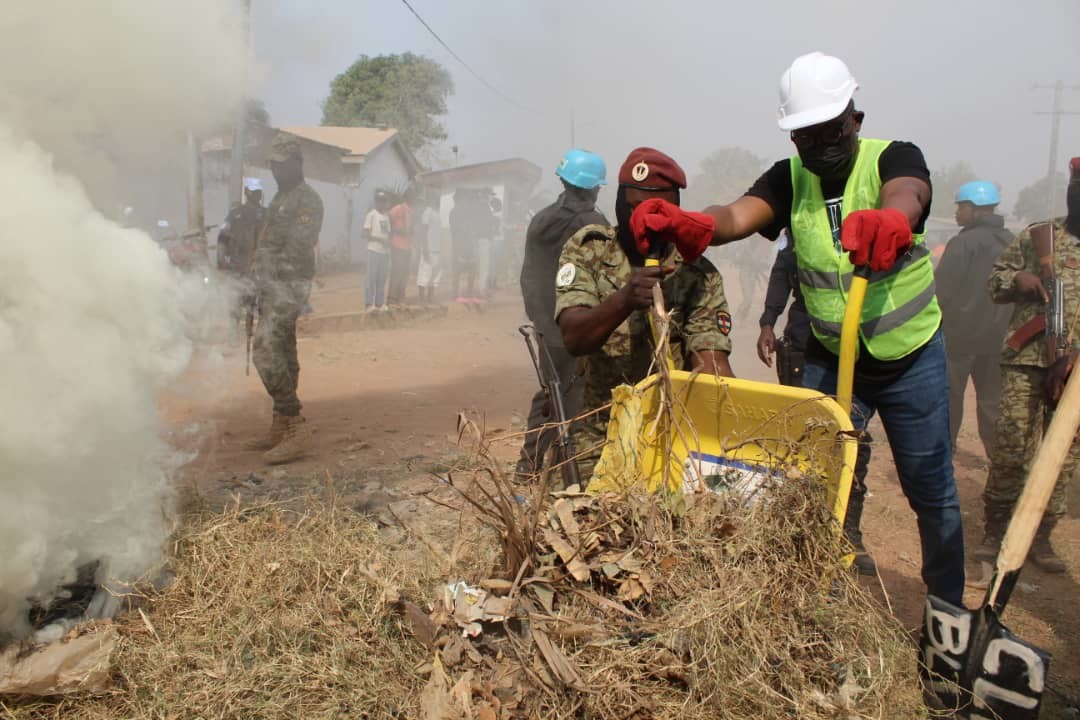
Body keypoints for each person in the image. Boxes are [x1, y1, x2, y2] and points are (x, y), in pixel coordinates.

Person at [632, 52, 962, 603]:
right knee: (811, 478)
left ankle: (947, 607)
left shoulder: (893, 157)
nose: (819, 146)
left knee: (930, 488)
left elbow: (910, 192)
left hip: (910, 358)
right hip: (833, 356)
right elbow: (739, 214)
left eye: (830, 130)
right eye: (805, 137)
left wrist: (894, 219)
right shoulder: (790, 179)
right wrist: (698, 224)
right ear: (794, 141)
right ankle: (815, 588)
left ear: (854, 119)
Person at [556, 147, 734, 480]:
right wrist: (623, 300)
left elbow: (711, 366)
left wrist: (730, 441)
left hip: (672, 432)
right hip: (600, 430)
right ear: (618, 203)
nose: (643, 220)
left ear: (675, 210)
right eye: (633, 207)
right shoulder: (589, 249)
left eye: (656, 210)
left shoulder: (696, 273)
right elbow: (574, 336)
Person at [977, 159, 1080, 574]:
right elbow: (994, 282)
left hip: (1074, 375)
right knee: (1012, 446)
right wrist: (1017, 279)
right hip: (1025, 360)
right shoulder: (1043, 236)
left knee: (1063, 456)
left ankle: (1041, 536)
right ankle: (995, 530)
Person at [517, 149, 609, 476]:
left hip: (545, 323)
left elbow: (528, 273)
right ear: (590, 188)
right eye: (598, 186)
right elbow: (606, 278)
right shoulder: (593, 223)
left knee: (551, 391)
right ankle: (565, 470)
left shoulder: (541, 218)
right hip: (578, 324)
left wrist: (540, 317)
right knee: (574, 398)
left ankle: (527, 467)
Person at [246, 133, 324, 464]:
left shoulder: (307, 199)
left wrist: (270, 279)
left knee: (264, 349)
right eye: (272, 165)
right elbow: (267, 243)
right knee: (282, 349)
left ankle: (295, 425)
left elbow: (297, 247)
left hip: (288, 283)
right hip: (272, 283)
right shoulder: (281, 197)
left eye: (281, 165)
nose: (276, 171)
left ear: (296, 163)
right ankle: (282, 421)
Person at [935, 181, 1013, 457]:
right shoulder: (1011, 241)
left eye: (961, 207)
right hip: (999, 339)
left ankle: (945, 453)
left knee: (950, 398)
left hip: (960, 338)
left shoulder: (963, 243)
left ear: (976, 210)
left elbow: (941, 290)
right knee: (993, 402)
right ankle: (998, 459)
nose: (957, 213)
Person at [756, 230, 810, 387]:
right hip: (804, 330)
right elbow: (782, 271)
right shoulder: (797, 219)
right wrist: (768, 323)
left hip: (853, 331)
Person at [217, 177, 266, 277]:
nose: (257, 194)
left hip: (259, 269)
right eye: (254, 191)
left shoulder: (266, 215)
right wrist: (221, 259)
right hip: (236, 268)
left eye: (258, 191)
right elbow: (222, 237)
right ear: (247, 192)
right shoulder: (235, 214)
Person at [363, 190, 392, 312]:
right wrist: (380, 240)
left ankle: (379, 304)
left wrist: (388, 242)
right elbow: (365, 233)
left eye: (384, 201)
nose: (382, 203)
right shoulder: (371, 215)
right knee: (371, 278)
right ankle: (369, 304)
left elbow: (388, 233)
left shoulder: (386, 217)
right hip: (373, 250)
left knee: (382, 278)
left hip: (384, 252)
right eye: (380, 200)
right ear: (376, 202)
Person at [387, 188, 415, 306]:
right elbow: (388, 219)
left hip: (407, 246)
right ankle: (391, 298)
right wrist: (395, 231)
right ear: (406, 197)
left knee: (405, 272)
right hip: (397, 244)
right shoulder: (398, 209)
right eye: (410, 196)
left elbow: (411, 227)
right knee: (397, 272)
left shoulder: (411, 211)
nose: (412, 198)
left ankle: (401, 297)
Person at [450, 189, 478, 301]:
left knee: (472, 268)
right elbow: (457, 229)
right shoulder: (453, 212)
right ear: (457, 199)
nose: (464, 200)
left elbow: (470, 227)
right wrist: (467, 229)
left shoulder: (466, 212)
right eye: (463, 198)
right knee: (457, 270)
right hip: (458, 243)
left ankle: (469, 292)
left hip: (468, 244)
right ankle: (454, 294)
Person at [416, 194, 444, 305]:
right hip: (429, 248)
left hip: (437, 248)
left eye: (438, 196)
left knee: (435, 274)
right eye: (435, 197)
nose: (437, 199)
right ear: (431, 199)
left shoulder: (438, 213)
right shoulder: (428, 212)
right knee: (425, 273)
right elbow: (423, 231)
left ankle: (430, 297)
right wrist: (425, 248)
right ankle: (422, 299)